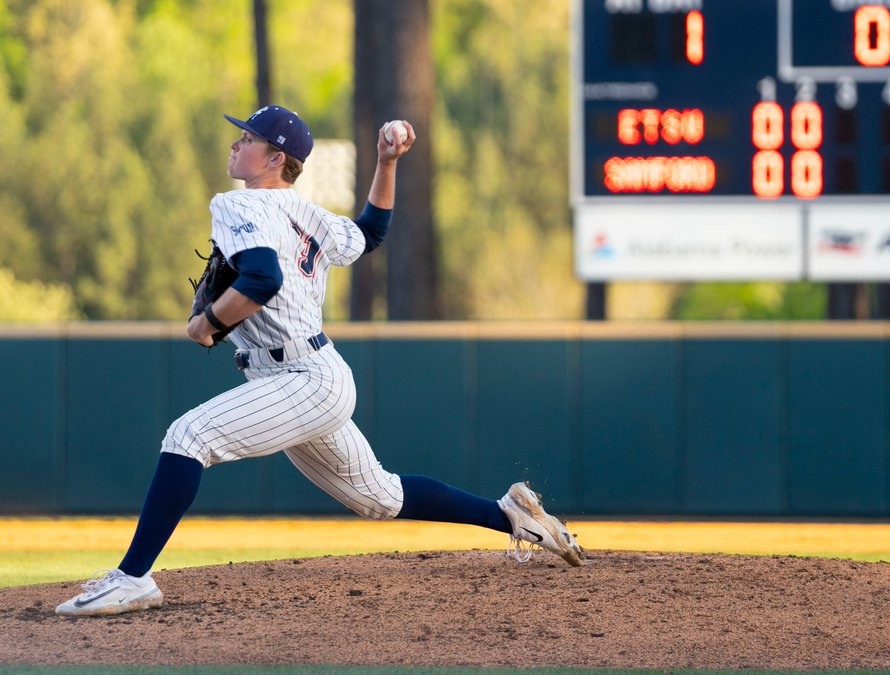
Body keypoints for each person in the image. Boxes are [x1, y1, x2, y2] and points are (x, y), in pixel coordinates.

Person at [56, 105, 585, 616]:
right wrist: (386, 163)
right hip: (308, 376)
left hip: (300, 378)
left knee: (189, 437)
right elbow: (372, 230)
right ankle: (511, 515)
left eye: (248, 138)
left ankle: (132, 579)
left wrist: (208, 324)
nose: (236, 143)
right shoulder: (309, 215)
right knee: (378, 495)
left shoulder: (238, 204)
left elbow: (263, 279)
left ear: (273, 159)